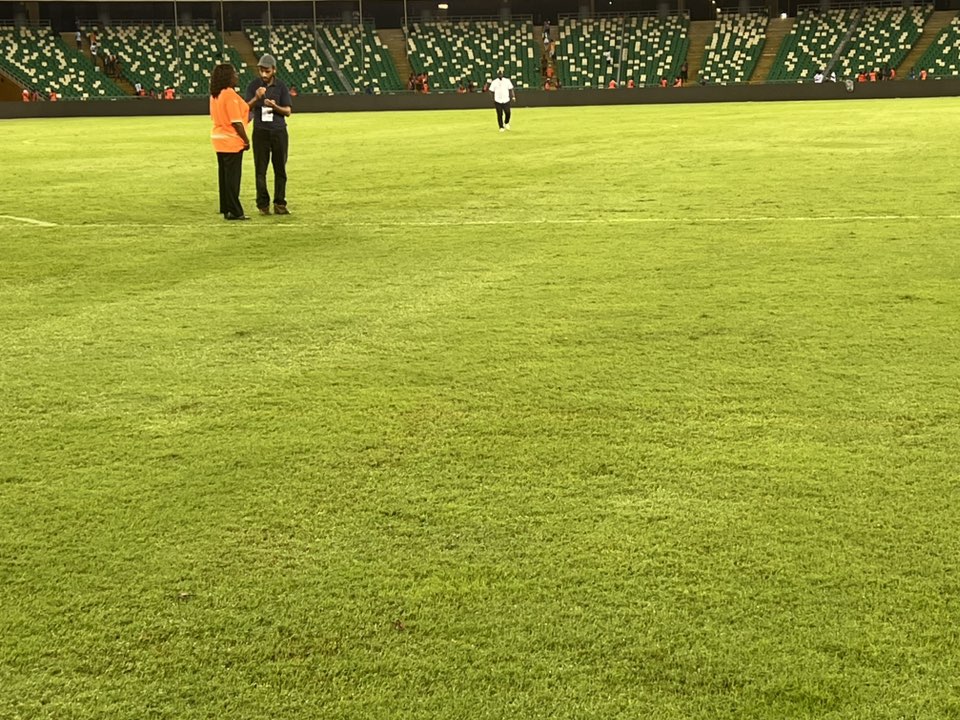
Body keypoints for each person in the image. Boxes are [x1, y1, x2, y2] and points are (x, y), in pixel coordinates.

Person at [245, 53, 293, 215]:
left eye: (267, 71)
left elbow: (287, 111)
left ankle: (280, 203)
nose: (264, 74)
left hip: (279, 131)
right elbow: (246, 109)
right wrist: (256, 97)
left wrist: (275, 107)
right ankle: (263, 205)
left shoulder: (281, 87)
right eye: (261, 71)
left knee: (280, 169)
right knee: (260, 170)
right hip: (260, 132)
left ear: (274, 70)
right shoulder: (253, 86)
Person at [209, 63, 251, 221]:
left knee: (224, 177)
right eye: (234, 73)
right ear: (228, 76)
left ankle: (226, 208)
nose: (237, 76)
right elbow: (236, 122)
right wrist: (246, 141)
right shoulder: (230, 94)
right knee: (233, 178)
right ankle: (236, 211)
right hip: (231, 141)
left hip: (219, 139)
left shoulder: (215, 95)